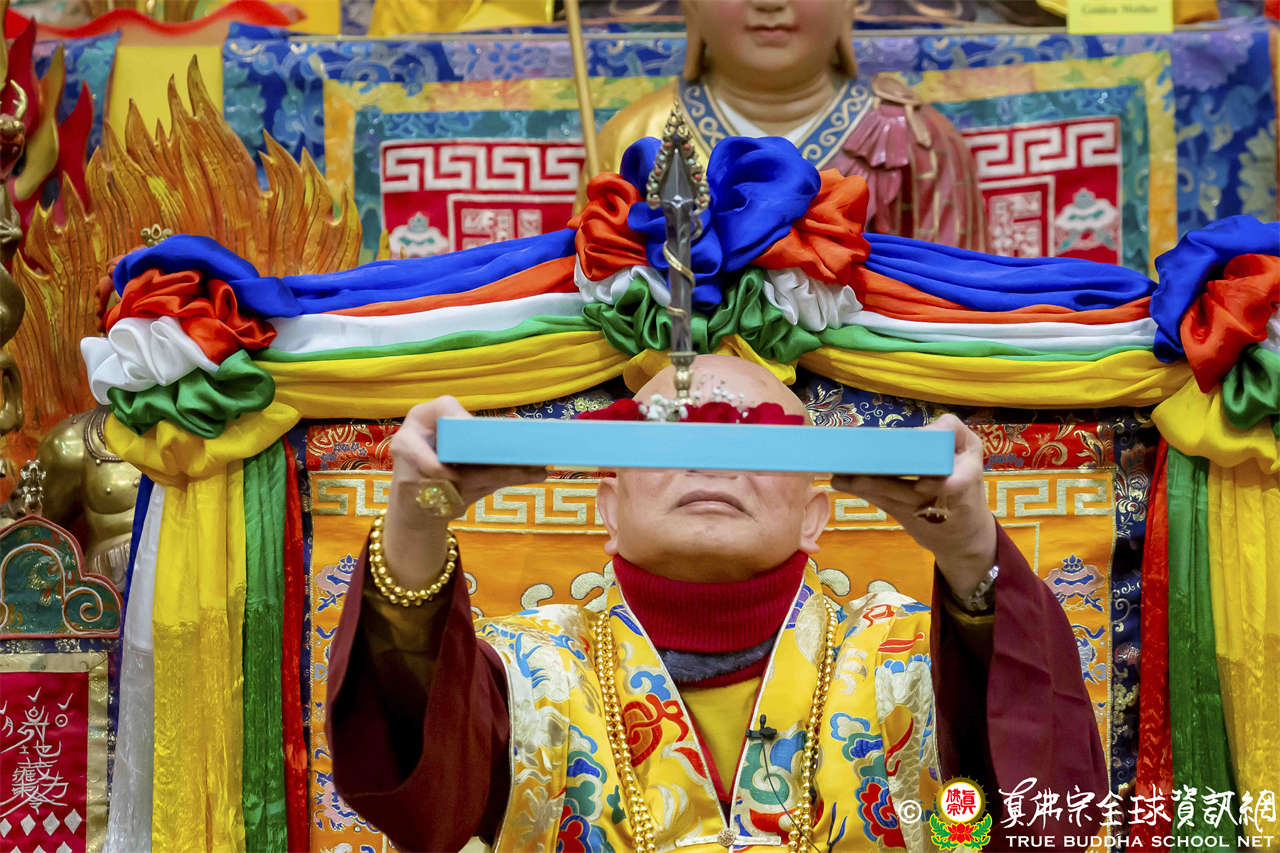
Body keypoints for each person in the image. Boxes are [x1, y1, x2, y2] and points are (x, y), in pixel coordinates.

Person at [327, 354, 1106, 851]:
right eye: (669, 435)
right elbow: (421, 792)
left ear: (814, 514)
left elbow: (1046, 814)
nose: (710, 460)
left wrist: (971, 555)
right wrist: (415, 523)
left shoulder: (906, 661)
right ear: (607, 505)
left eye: (753, 438)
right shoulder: (530, 670)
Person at [589, 0, 988, 251]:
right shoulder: (636, 136)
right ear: (691, 7)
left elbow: (957, 305)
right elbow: (593, 298)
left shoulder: (915, 139)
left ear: (849, 5)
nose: (770, 4)